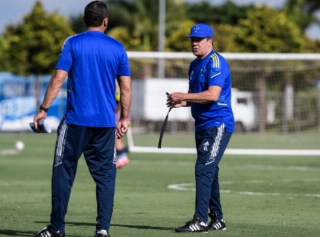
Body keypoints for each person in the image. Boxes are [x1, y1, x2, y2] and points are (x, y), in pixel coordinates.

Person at [32, 1, 132, 237]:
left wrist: (43, 109)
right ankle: (102, 230)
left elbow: (58, 78)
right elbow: (125, 89)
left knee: (62, 172)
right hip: (106, 125)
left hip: (76, 121)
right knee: (106, 177)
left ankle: (56, 229)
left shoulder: (73, 42)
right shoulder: (118, 48)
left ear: (85, 20)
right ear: (105, 21)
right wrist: (124, 118)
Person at [166, 23, 234, 233]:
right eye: (192, 40)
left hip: (218, 123)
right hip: (202, 124)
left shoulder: (216, 62)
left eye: (199, 40)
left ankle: (200, 220)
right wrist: (181, 102)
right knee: (210, 171)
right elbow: (197, 97)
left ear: (210, 41)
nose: (194, 44)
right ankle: (218, 219)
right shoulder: (194, 65)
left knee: (203, 169)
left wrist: (184, 96)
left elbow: (212, 95)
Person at [115, 81, 130, 168]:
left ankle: (122, 157)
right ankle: (122, 156)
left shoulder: (119, 89)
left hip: (120, 118)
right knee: (117, 139)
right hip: (122, 117)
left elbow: (120, 103)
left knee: (115, 138)